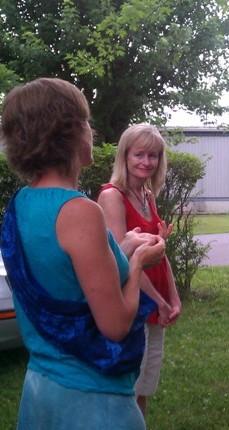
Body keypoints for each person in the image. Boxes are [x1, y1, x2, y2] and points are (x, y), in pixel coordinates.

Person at [0, 78, 166, 429]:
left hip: (41, 390)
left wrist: (122, 249)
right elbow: (115, 326)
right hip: (91, 400)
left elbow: (65, 276)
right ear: (69, 133)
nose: (91, 131)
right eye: (86, 122)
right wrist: (138, 263)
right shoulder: (80, 211)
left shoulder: (21, 203)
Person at [97, 124, 182, 418]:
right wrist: (159, 301)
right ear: (125, 156)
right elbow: (124, 261)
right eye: (139, 154)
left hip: (155, 302)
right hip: (133, 302)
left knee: (144, 386)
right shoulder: (112, 196)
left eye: (153, 155)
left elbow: (159, 252)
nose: (146, 162)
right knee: (127, 387)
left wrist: (173, 298)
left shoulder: (147, 194)